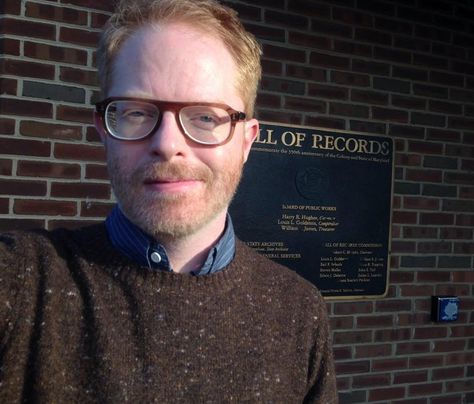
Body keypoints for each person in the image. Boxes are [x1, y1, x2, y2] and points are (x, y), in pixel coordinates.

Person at [0, 0, 337, 402]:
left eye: (206, 117)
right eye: (137, 113)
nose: (167, 144)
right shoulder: (21, 281)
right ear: (104, 131)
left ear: (246, 141)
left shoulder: (300, 310)